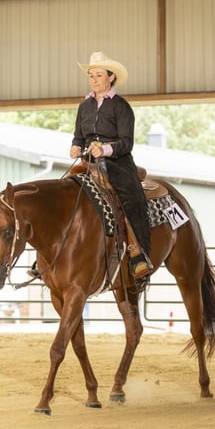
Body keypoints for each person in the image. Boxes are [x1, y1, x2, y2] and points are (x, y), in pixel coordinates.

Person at [70, 51, 152, 281]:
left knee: (131, 196)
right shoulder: (84, 106)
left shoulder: (121, 106)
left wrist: (104, 149)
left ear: (111, 77)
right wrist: (76, 147)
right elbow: (79, 135)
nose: (94, 79)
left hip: (118, 161)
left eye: (98, 75)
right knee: (65, 189)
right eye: (91, 75)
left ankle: (139, 252)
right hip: (89, 162)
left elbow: (127, 142)